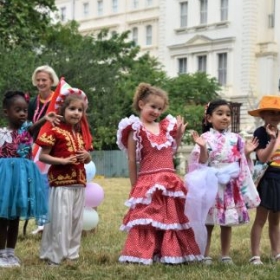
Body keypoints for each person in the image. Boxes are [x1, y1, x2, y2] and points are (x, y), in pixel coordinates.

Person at [116, 83, 203, 265]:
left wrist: (178, 135)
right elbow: (132, 160)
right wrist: (134, 186)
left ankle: (169, 253)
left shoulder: (165, 128)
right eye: (153, 107)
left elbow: (170, 152)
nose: (156, 111)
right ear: (141, 104)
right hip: (148, 180)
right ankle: (144, 253)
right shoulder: (136, 129)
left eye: (160, 108)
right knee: (148, 219)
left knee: (171, 218)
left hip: (169, 179)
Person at [187, 99, 260, 265]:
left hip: (229, 185)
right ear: (209, 118)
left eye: (228, 114)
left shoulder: (236, 138)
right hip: (211, 183)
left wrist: (247, 154)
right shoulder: (205, 137)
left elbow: (241, 162)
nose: (225, 117)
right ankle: (205, 254)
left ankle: (225, 254)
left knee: (227, 222)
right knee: (209, 222)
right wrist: (203, 147)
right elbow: (201, 162)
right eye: (220, 113)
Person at [0, 91, 61, 268]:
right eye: (17, 110)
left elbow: (35, 126)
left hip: (21, 181)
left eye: (25, 110)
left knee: (15, 218)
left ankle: (10, 252)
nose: (22, 114)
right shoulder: (2, 133)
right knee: (2, 219)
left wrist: (46, 117)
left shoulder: (27, 130)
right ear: (6, 112)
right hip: (5, 181)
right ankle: (1, 254)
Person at [36, 89, 92, 266]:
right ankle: (55, 256)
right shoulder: (55, 131)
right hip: (61, 183)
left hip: (79, 182)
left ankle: (72, 255)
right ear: (63, 110)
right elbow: (43, 156)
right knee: (61, 221)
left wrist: (88, 157)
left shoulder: (81, 135)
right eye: (72, 109)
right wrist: (62, 161)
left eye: (79, 110)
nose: (76, 113)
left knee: (76, 222)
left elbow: (88, 157)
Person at [249, 95, 280, 265]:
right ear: (262, 116)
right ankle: (255, 255)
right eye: (270, 112)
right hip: (267, 178)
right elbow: (262, 157)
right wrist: (273, 140)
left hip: (279, 178)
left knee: (275, 220)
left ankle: (276, 252)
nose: (275, 116)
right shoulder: (260, 133)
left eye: (278, 113)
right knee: (261, 219)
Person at [28, 65, 59, 235]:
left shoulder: (58, 99)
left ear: (51, 81)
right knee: (39, 185)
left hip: (54, 146)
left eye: (44, 80)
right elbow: (29, 127)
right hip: (36, 148)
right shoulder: (33, 102)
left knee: (52, 183)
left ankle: (55, 222)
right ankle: (42, 223)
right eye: (38, 80)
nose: (41, 83)